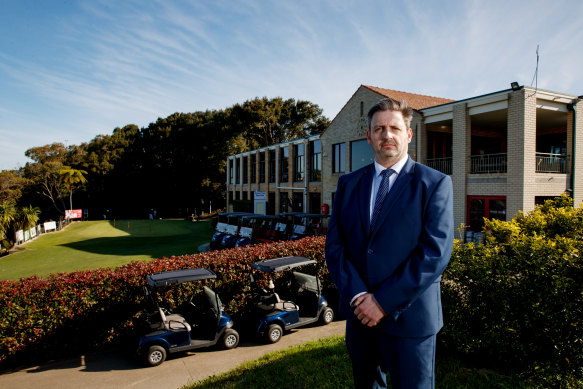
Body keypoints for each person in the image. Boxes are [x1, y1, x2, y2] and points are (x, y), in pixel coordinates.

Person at [325, 97, 454, 388]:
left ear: (408, 134)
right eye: (379, 129)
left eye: (394, 128)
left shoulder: (434, 184)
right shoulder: (348, 184)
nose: (387, 135)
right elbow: (335, 247)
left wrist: (382, 302)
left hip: (412, 320)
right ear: (369, 137)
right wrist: (359, 296)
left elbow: (435, 253)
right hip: (360, 319)